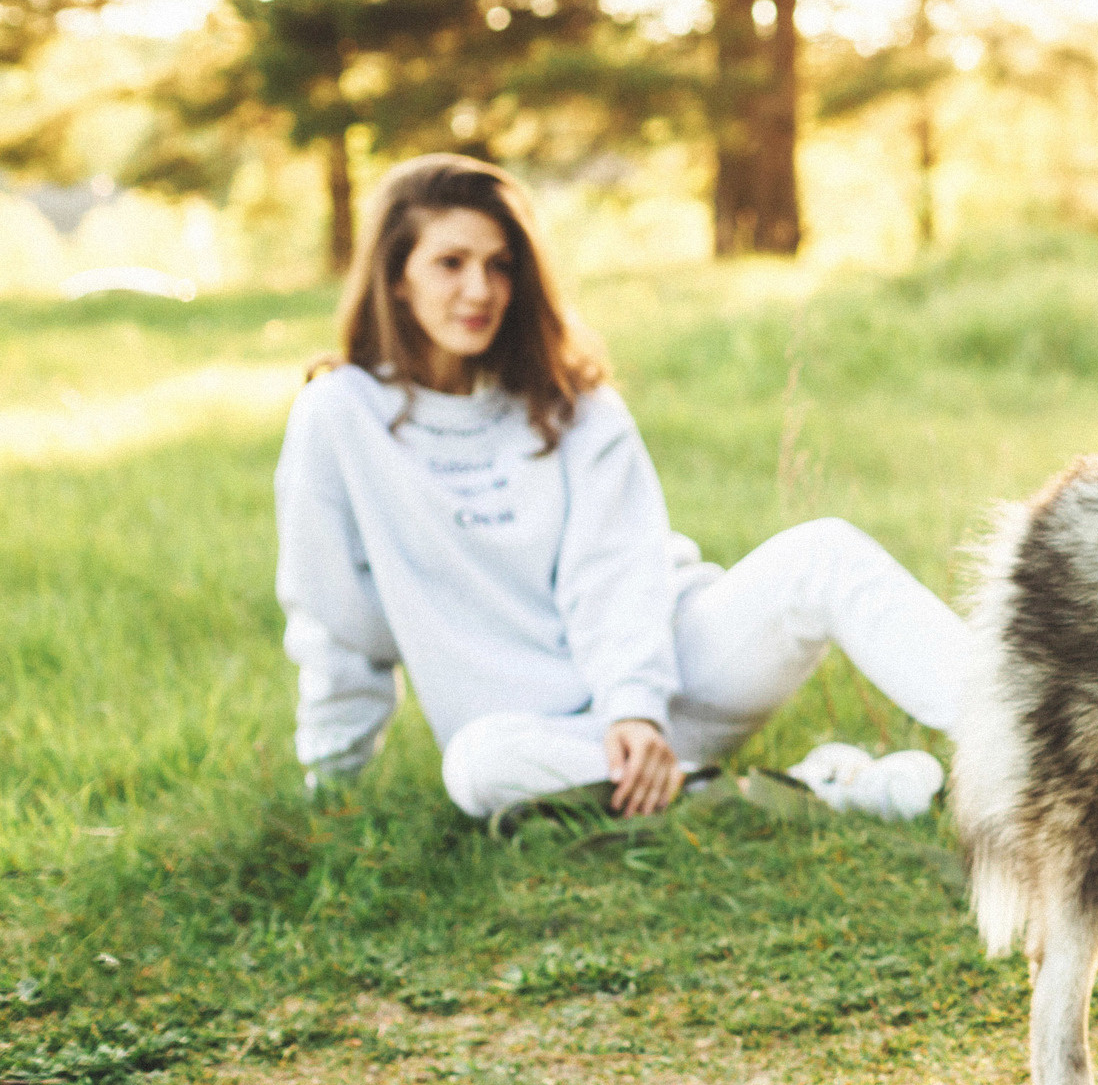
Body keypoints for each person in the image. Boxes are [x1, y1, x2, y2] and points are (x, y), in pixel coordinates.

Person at [275, 153, 967, 825]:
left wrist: (632, 706)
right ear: (395, 276)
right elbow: (333, 614)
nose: (480, 289)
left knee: (825, 553)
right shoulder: (340, 414)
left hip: (671, 677)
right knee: (477, 767)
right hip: (547, 738)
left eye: (499, 266)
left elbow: (620, 569)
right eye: (450, 263)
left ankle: (1035, 739)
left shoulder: (575, 402)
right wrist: (332, 781)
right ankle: (816, 792)